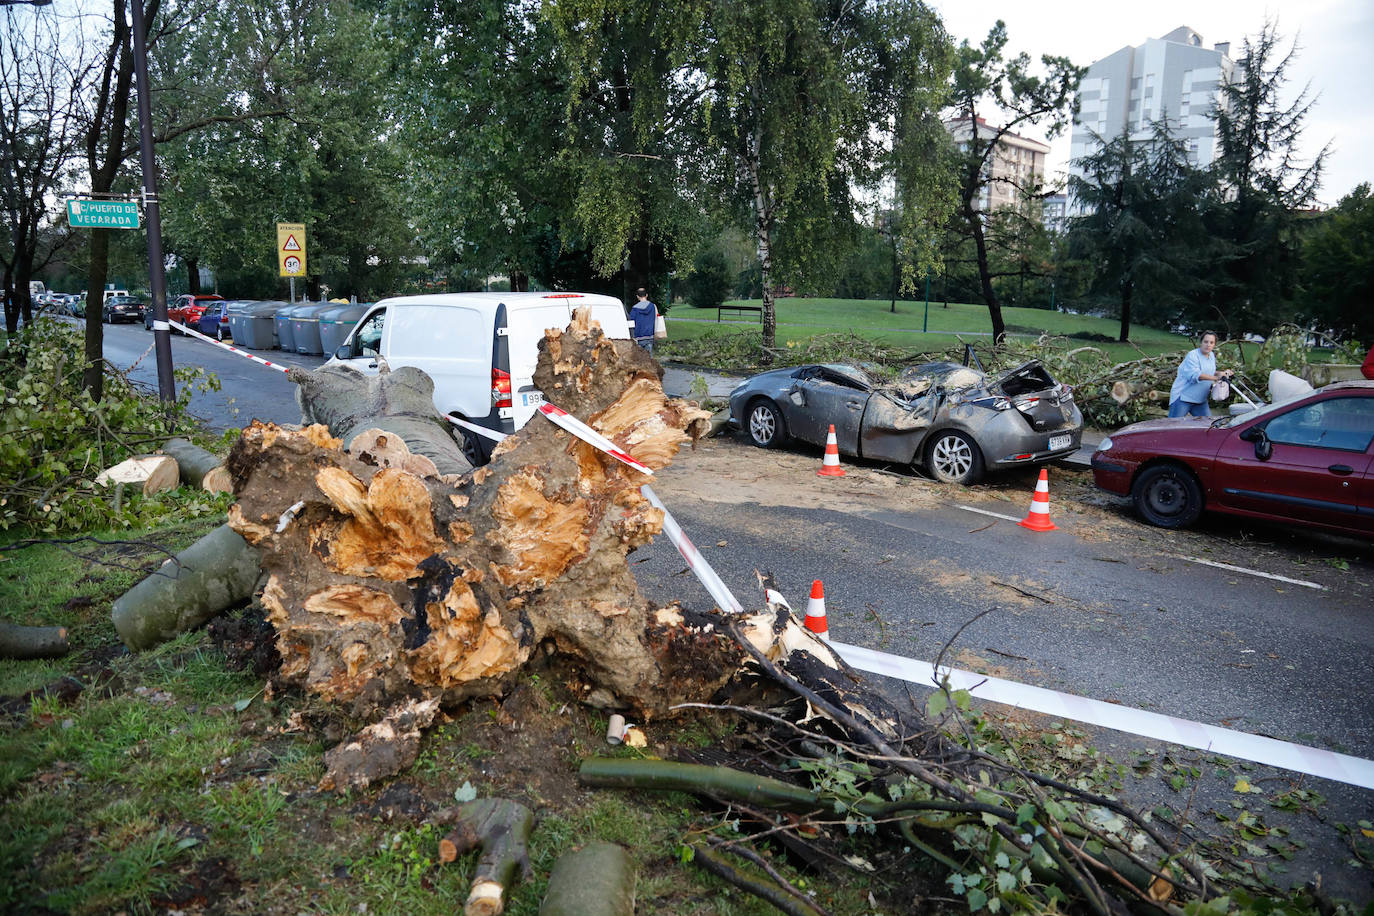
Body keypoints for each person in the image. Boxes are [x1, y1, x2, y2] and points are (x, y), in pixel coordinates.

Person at [1168, 330, 1233, 418]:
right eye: (1206, 342)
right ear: (1201, 342)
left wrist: (1221, 373)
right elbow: (1196, 375)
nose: (1208, 345)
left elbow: (1208, 372)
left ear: (1214, 345)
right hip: (1183, 398)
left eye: (1211, 342)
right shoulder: (1192, 355)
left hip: (1200, 399)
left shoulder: (1211, 356)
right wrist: (1216, 378)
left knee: (1208, 425)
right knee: (1173, 427)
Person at [629, 288, 657, 354]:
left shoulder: (635, 308)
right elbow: (656, 317)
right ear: (646, 295)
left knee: (639, 359)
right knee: (648, 358)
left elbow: (631, 322)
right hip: (649, 336)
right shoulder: (653, 306)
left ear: (637, 296)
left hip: (639, 336)